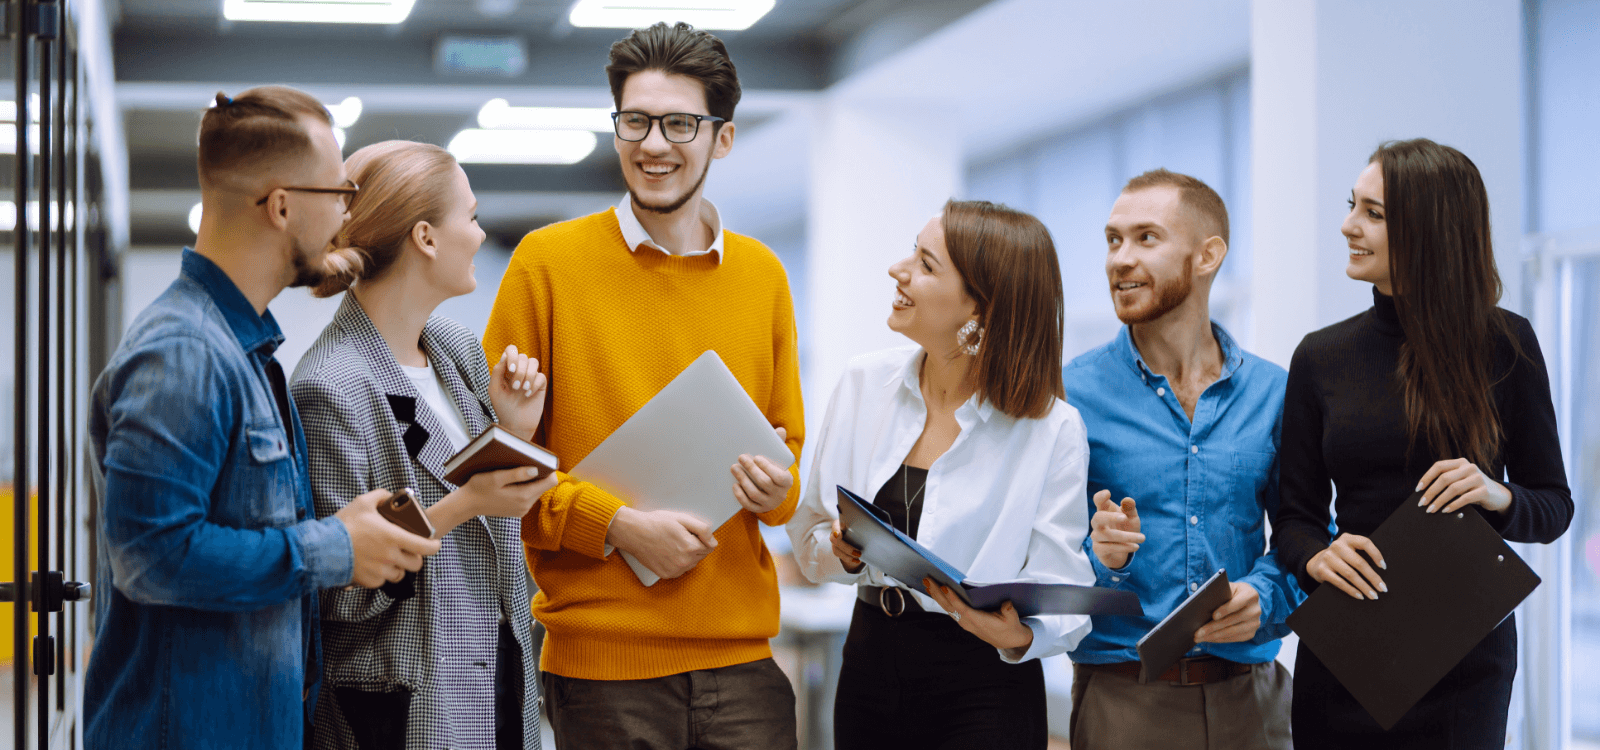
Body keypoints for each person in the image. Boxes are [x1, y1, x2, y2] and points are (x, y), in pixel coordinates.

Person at [84, 87, 441, 749]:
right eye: (339, 194)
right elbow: (153, 558)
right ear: (281, 206)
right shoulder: (185, 353)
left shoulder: (246, 351)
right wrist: (335, 546)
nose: (345, 216)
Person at [481, 22, 804, 750]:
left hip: (744, 665)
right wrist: (620, 528)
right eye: (636, 121)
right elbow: (495, 466)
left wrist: (770, 490)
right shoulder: (546, 264)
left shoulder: (763, 277)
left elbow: (788, 469)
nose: (653, 144)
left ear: (721, 138)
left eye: (679, 123)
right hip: (603, 673)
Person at [1275, 138, 1573, 748]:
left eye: (1373, 214)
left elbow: (1555, 506)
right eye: (1351, 205)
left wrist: (1498, 494)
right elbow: (1294, 519)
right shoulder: (1319, 356)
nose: (1347, 225)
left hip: (1466, 666)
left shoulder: (1507, 345)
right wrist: (1314, 557)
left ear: (1430, 227)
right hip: (1347, 651)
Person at [788, 200, 1094, 750]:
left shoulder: (1052, 428)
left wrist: (1022, 635)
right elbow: (809, 538)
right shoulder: (863, 385)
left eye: (926, 265)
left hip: (983, 676)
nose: (898, 270)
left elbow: (1063, 583)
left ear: (980, 308)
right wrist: (842, 552)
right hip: (870, 656)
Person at [292, 140, 559, 750]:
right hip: (403, 702)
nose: (480, 232)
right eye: (469, 215)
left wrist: (514, 430)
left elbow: (483, 493)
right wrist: (464, 503)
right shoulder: (329, 385)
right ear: (426, 238)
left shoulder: (456, 349)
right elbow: (338, 590)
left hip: (496, 669)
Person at [1063, 169, 1298, 749]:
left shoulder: (1276, 392)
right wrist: (1102, 554)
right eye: (1113, 240)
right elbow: (1036, 558)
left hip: (1254, 700)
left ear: (1207, 255)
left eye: (1146, 238)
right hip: (1124, 702)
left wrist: (1264, 595)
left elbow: (1307, 536)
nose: (1120, 259)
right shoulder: (1071, 394)